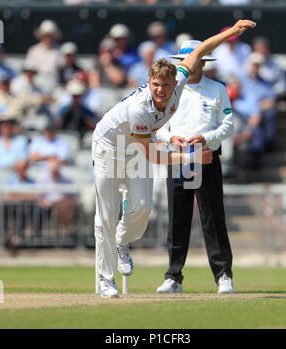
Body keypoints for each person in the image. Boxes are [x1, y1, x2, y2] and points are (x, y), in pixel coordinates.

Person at [91, 20, 256, 298]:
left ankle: (122, 241)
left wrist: (231, 31)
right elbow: (152, 153)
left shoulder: (181, 83)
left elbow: (201, 48)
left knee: (142, 208)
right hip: (110, 146)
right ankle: (106, 280)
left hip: (137, 145)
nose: (160, 91)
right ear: (149, 82)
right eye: (155, 85)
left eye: (165, 85)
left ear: (174, 83)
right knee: (106, 215)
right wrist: (191, 156)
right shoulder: (140, 110)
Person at [155, 40, 234, 295]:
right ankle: (173, 277)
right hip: (178, 158)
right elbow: (159, 127)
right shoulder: (171, 90)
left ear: (202, 61)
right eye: (184, 61)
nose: (188, 65)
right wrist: (171, 138)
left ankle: (223, 275)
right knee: (178, 219)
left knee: (213, 218)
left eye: (194, 59)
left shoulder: (216, 89)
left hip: (206, 156)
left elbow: (228, 125)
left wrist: (205, 138)